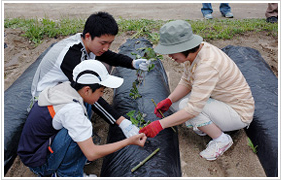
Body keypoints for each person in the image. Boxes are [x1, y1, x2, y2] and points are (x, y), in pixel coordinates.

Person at [139, 20, 254, 161]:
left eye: (171, 51)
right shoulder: (197, 52)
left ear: (183, 47)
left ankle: (221, 140)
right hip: (221, 101)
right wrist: (169, 100)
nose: (169, 56)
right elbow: (187, 81)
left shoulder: (207, 65)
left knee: (187, 108)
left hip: (238, 113)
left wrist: (159, 125)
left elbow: (193, 109)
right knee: (176, 105)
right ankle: (206, 124)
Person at [30, 12, 151, 139]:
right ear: (88, 36)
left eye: (110, 43)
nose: (106, 48)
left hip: (64, 91)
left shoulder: (89, 45)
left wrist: (132, 63)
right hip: (46, 102)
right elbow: (88, 92)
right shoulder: (70, 55)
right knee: (88, 101)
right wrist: (121, 122)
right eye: (103, 43)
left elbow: (109, 56)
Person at [18, 60, 147, 177]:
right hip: (40, 163)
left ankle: (69, 160)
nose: (102, 95)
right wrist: (128, 141)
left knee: (85, 114)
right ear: (87, 90)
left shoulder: (69, 88)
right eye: (101, 91)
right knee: (80, 132)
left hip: (35, 149)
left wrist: (122, 122)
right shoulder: (72, 110)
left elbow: (89, 103)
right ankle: (68, 174)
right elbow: (91, 153)